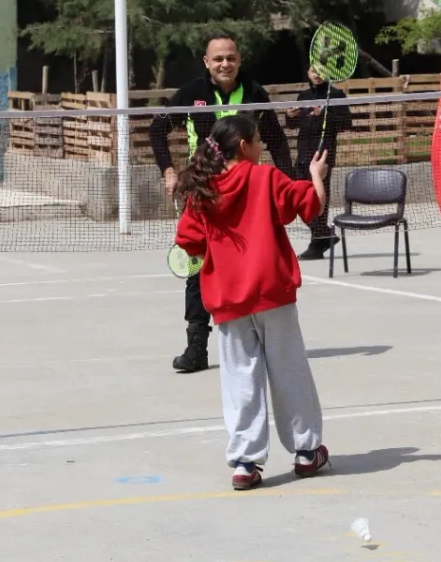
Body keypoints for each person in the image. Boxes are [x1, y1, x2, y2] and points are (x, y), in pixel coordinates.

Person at [173, 115, 331, 491]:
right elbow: (311, 205)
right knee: (290, 371)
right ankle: (306, 452)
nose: (262, 146)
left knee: (239, 380)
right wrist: (317, 175)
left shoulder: (202, 190)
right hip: (272, 293)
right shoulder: (267, 178)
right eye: (258, 140)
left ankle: (245, 462)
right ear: (244, 145)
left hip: (228, 300)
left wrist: (218, 256)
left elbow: (189, 241)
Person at [149, 33, 295, 374]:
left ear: (239, 59)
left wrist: (288, 181)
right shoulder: (190, 94)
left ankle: (258, 340)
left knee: (254, 265)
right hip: (204, 195)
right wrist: (168, 170)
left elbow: (275, 140)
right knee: (198, 269)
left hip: (247, 198)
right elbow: (157, 131)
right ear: (207, 62)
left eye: (230, 57)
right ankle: (196, 346)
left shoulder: (256, 94)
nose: (225, 64)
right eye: (218, 59)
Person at [287, 66, 354, 260]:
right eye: (313, 70)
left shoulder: (336, 95)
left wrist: (323, 115)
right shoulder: (304, 96)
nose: (316, 74)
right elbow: (293, 125)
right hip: (303, 153)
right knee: (298, 198)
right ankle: (324, 234)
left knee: (318, 198)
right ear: (308, 73)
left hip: (323, 155)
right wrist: (290, 116)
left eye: (321, 70)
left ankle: (317, 241)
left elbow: (346, 123)